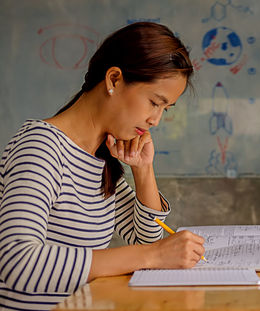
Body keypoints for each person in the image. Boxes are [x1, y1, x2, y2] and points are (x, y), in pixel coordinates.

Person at [0, 22, 206, 310]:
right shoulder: (41, 147)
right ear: (114, 79)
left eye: (165, 109)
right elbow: (16, 262)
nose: (155, 120)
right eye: (153, 102)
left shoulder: (98, 157)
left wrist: (143, 170)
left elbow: (146, 238)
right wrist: (153, 256)